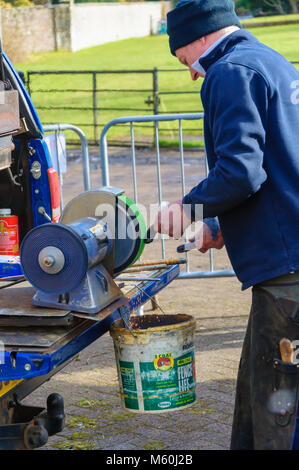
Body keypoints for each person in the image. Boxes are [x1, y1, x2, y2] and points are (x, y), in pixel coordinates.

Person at [153, 0, 299, 450]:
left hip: (286, 271)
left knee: (278, 405)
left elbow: (242, 170)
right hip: (289, 256)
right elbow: (279, 161)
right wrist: (217, 225)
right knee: (259, 390)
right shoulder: (274, 62)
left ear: (197, 37)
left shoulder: (229, 71)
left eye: (182, 59)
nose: (191, 72)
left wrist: (187, 208)